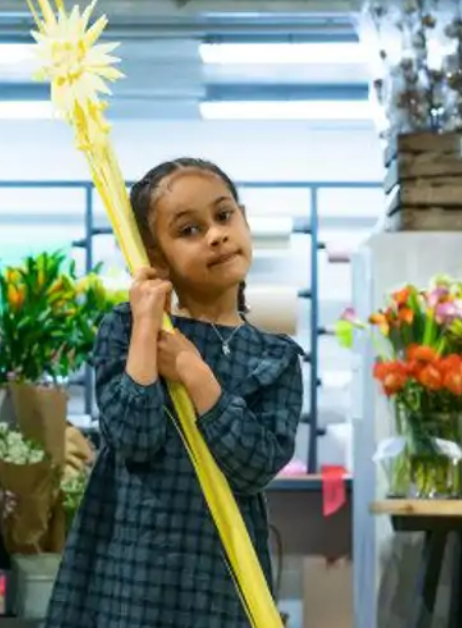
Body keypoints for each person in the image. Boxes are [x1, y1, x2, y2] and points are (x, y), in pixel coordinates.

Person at [44, 158, 305, 628]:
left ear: (244, 219)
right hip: (130, 569)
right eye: (189, 230)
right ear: (157, 258)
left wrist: (192, 371)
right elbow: (133, 437)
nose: (216, 235)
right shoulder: (125, 329)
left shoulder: (276, 357)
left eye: (225, 216)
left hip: (221, 574)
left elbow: (256, 466)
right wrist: (146, 326)